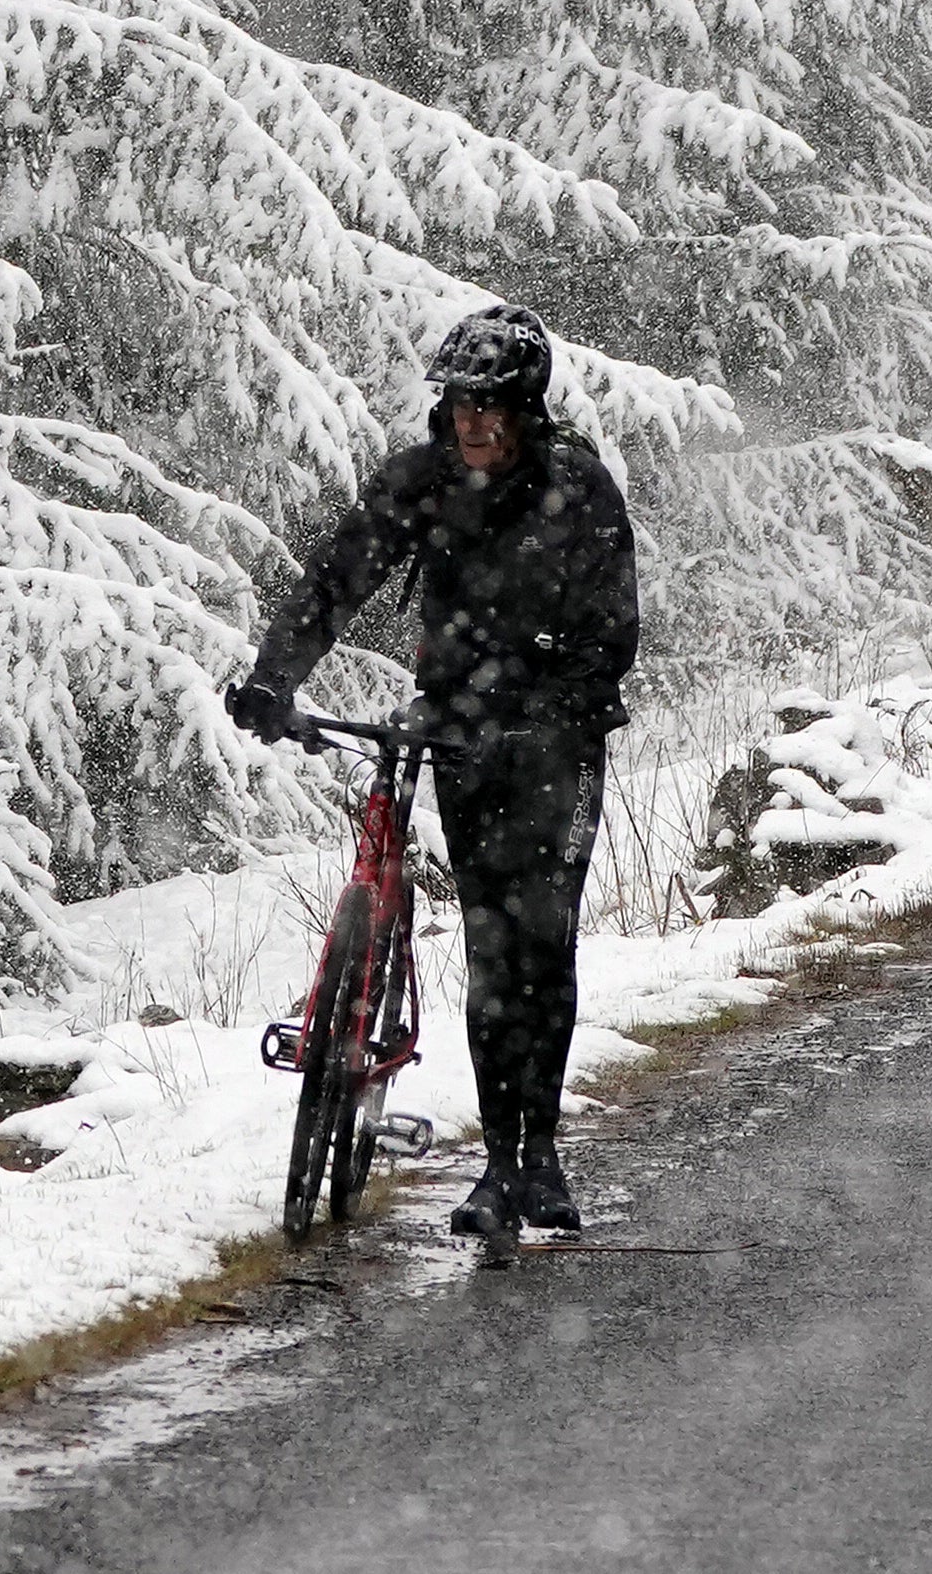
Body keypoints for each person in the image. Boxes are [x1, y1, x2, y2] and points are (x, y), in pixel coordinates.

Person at [223, 302, 640, 1248]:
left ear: (527, 407)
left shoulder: (580, 489)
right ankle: (500, 1165)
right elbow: (337, 577)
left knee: (544, 942)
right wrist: (271, 679)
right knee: (493, 959)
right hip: (457, 729)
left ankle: (543, 1153)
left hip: (554, 745)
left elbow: (612, 636)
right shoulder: (423, 483)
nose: (473, 422)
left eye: (491, 405)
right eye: (459, 404)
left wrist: (547, 715)